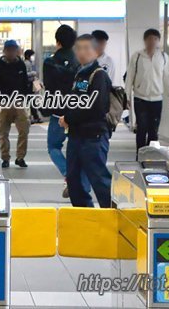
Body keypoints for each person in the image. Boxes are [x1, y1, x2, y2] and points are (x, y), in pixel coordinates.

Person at [59, 34, 113, 208]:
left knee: (99, 179)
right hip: (76, 136)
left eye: (87, 48)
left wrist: (68, 117)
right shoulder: (79, 74)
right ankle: (84, 215)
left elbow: (95, 106)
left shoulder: (99, 76)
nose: (82, 52)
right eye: (79, 48)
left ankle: (112, 215)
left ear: (96, 52)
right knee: (74, 180)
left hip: (94, 137)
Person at [42, 24, 90, 199]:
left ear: (57, 41)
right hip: (76, 112)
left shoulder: (49, 62)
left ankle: (69, 176)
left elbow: (48, 87)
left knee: (53, 146)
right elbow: (83, 87)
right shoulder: (81, 62)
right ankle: (83, 185)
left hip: (57, 112)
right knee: (79, 149)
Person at [125, 29, 169, 156]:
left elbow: (168, 76)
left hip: (157, 98)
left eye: (155, 39)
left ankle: (151, 156)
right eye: (149, 39)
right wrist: (126, 96)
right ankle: (140, 155)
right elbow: (130, 76)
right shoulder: (137, 56)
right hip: (140, 98)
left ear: (158, 41)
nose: (152, 42)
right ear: (145, 40)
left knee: (154, 130)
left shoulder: (163, 57)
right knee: (142, 128)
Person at [0, 40, 32, 168]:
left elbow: (25, 82)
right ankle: (5, 158)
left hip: (19, 102)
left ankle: (20, 157)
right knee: (3, 132)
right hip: (3, 102)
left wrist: (27, 98)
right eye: (9, 50)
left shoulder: (21, 65)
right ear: (5, 51)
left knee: (24, 130)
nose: (12, 52)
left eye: (14, 50)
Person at [24, 49, 44, 123]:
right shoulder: (27, 63)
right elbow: (25, 74)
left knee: (32, 101)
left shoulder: (31, 63)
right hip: (29, 84)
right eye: (32, 55)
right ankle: (34, 117)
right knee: (31, 101)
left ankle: (34, 116)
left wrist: (39, 83)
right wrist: (33, 73)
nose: (33, 57)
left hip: (32, 83)